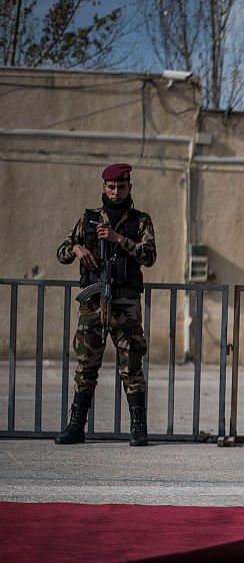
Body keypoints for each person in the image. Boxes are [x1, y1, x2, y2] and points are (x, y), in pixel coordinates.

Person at [55, 163, 157, 447]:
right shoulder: (88, 219)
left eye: (121, 187)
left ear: (129, 188)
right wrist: (76, 248)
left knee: (131, 368)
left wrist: (119, 239)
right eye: (111, 187)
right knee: (86, 367)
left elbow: (149, 256)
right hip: (93, 304)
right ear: (104, 187)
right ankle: (76, 427)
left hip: (126, 306)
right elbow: (62, 251)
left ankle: (138, 428)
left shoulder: (140, 221)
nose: (115, 192)